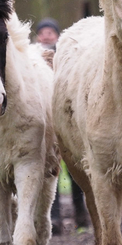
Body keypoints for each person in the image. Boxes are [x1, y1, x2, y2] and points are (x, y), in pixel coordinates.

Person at [34, 18, 89, 233]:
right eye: (42, 32)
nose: (46, 35)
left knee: (75, 171)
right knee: (51, 171)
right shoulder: (33, 58)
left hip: (68, 119)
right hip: (48, 121)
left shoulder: (67, 57)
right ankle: (54, 218)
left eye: (50, 32)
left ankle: (81, 214)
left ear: (58, 35)